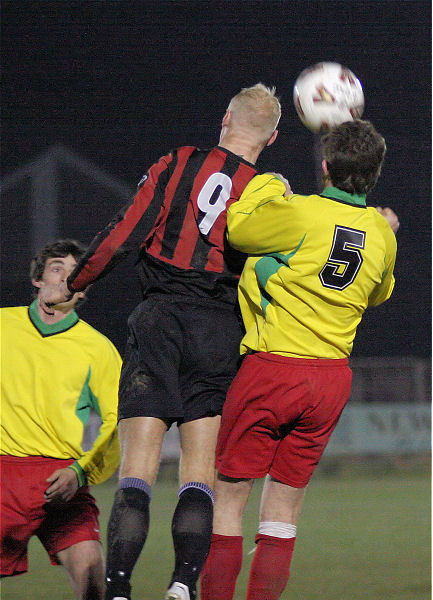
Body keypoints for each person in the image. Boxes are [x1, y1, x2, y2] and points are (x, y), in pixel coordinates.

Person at [41, 84, 282, 600]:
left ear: (225, 118)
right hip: (220, 331)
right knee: (198, 475)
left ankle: (121, 588)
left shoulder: (177, 164)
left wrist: (75, 283)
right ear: (273, 137)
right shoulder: (265, 191)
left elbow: (123, 233)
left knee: (138, 471)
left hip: (160, 324)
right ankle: (180, 585)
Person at [200, 119, 399, 600]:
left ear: (326, 168)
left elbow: (240, 229)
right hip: (330, 380)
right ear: (374, 175)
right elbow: (379, 293)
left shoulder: (300, 213)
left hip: (274, 367)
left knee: (228, 500)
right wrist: (383, 232)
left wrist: (268, 185)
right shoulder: (382, 232)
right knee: (284, 511)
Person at [0, 239, 122, 600]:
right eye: (57, 268)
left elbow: (117, 421)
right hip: (5, 474)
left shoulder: (98, 348)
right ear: (37, 280)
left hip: (64, 479)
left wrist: (81, 471)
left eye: (76, 273)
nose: (66, 278)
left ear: (83, 291)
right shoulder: (3, 326)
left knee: (91, 573)